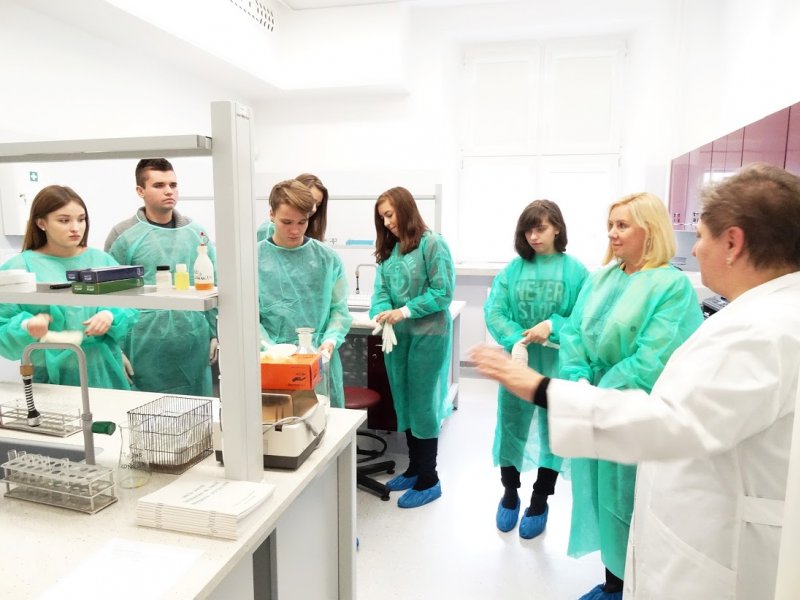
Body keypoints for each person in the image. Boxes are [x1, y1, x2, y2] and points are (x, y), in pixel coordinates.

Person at [470, 163, 800, 600]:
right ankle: (614, 579)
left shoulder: (762, 329)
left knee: (622, 503)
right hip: (609, 414)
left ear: (733, 243)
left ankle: (617, 581)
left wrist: (546, 389)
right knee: (606, 503)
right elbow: (578, 336)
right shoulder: (750, 313)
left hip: (713, 530)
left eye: (701, 236)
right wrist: (577, 380)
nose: (695, 249)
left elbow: (667, 406)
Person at [484, 200, 588, 538]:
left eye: (540, 228)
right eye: (528, 230)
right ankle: (509, 493)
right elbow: (494, 311)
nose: (533, 236)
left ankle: (540, 500)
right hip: (519, 362)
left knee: (554, 430)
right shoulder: (513, 271)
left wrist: (552, 325)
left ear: (557, 227)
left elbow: (585, 316)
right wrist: (517, 339)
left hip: (558, 365)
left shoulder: (575, 272)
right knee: (510, 426)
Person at [0, 185, 137, 389]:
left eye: (81, 219)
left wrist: (109, 314)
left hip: (101, 369)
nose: (76, 228)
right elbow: (3, 326)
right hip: (47, 374)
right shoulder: (19, 268)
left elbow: (130, 306)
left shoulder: (101, 261)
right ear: (41, 223)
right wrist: (27, 326)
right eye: (64, 220)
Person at [370, 186, 456, 509]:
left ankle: (429, 479)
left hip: (428, 335)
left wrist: (405, 311)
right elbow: (380, 291)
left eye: (390, 215)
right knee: (404, 402)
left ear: (405, 209)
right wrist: (382, 312)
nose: (387, 223)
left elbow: (442, 292)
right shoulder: (390, 251)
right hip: (399, 337)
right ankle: (414, 468)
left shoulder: (432, 244)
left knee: (423, 406)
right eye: (382, 218)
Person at [105, 158, 218, 397]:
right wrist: (115, 349)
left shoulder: (196, 233)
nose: (169, 191)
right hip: (142, 347)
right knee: (146, 410)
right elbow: (108, 298)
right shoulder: (124, 236)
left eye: (173, 185)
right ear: (140, 191)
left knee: (197, 409)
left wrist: (216, 333)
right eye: (159, 185)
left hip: (192, 343)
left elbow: (214, 285)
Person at [257, 179, 352, 408]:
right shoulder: (252, 260)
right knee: (279, 424)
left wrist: (329, 341)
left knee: (324, 423)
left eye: (302, 222)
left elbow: (339, 310)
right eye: (286, 222)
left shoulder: (327, 259)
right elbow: (247, 319)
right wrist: (272, 350)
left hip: (319, 363)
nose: (295, 230)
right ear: (271, 214)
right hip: (272, 366)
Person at [256, 173, 329, 243]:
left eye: (318, 205)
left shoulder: (312, 234)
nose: (314, 209)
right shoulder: (267, 230)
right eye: (311, 201)